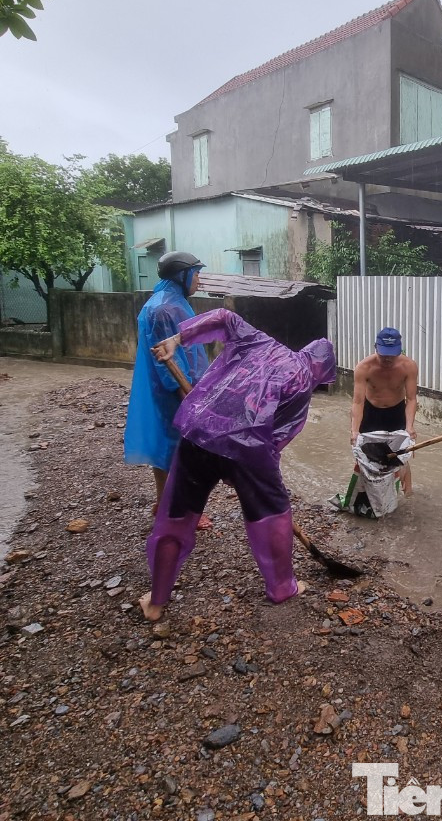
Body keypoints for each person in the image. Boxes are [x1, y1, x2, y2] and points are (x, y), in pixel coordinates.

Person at [138, 308, 336, 622]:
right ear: (321, 371)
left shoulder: (260, 342)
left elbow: (222, 316)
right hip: (248, 451)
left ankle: (157, 599)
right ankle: (283, 587)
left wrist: (178, 339)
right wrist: (249, 475)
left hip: (199, 432)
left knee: (176, 516)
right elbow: (277, 440)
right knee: (275, 512)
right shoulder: (302, 384)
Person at [123, 250, 212, 528]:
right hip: (174, 389)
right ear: (182, 275)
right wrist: (185, 392)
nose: (199, 279)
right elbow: (166, 358)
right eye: (196, 274)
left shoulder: (166, 302)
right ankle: (183, 510)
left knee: (166, 448)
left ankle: (164, 502)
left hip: (170, 388)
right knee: (185, 451)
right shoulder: (165, 308)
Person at [351, 327, 419, 495]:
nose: (388, 359)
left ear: (399, 349)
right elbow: (358, 401)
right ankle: (366, 495)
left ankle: (408, 497)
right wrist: (354, 430)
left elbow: (411, 399)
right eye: (384, 355)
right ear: (376, 347)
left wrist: (409, 427)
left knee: (402, 455)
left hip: (396, 413)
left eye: (392, 355)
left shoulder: (408, 366)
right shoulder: (364, 367)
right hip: (371, 412)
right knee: (365, 456)